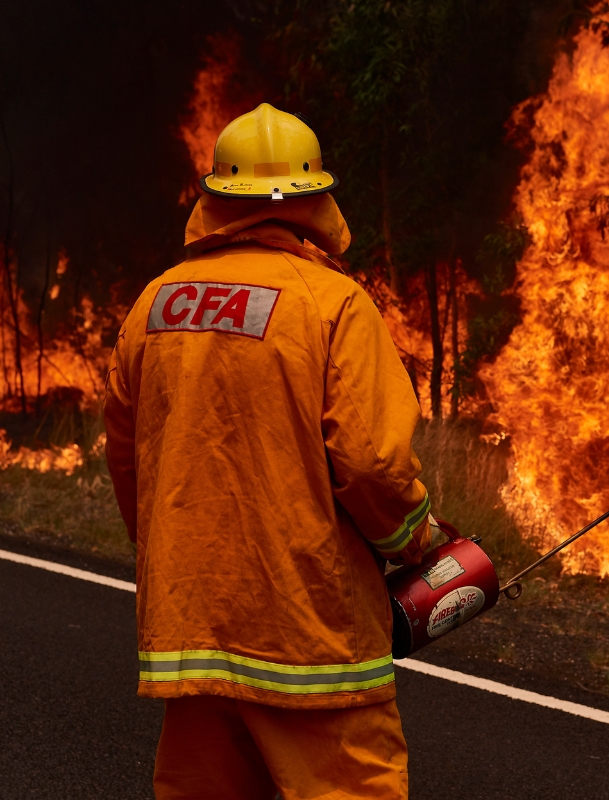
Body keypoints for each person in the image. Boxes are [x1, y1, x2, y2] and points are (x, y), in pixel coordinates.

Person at [104, 103, 441, 800]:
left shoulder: (154, 305)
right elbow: (374, 466)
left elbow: (129, 459)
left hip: (191, 631)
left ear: (217, 201)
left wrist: (175, 560)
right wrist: (417, 541)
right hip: (310, 640)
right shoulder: (334, 305)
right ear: (317, 199)